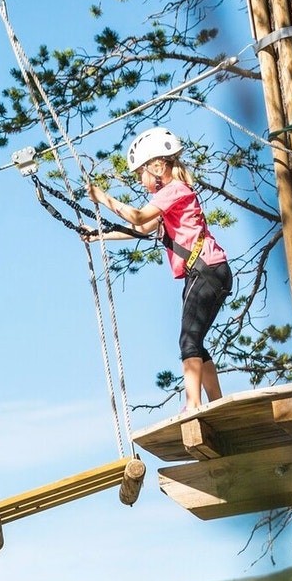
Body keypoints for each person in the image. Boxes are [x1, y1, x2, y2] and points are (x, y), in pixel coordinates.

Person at [85, 126, 234, 414]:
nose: (141, 182)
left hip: (205, 270)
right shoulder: (175, 198)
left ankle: (193, 404)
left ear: (157, 166)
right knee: (196, 340)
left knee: (188, 339)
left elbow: (139, 215)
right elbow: (140, 227)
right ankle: (216, 401)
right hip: (210, 271)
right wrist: (98, 234)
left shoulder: (174, 190)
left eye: (141, 173)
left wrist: (104, 198)